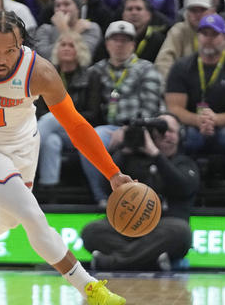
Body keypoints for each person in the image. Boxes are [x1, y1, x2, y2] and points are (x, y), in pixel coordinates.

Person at [0, 10, 131, 304]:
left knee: (10, 217)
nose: (1, 58)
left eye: (10, 50)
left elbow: (76, 125)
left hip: (23, 147)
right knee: (31, 215)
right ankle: (90, 289)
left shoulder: (39, 72)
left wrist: (112, 172)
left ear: (22, 46)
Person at [82, 113, 199, 271]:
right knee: (91, 231)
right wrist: (125, 149)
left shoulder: (184, 163)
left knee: (181, 231)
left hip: (162, 229)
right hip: (129, 229)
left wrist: (156, 155)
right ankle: (150, 262)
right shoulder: (133, 158)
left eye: (171, 131)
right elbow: (105, 187)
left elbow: (183, 187)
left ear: (180, 136)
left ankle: (112, 262)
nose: (166, 135)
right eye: (161, 131)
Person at [165, 14, 225, 203]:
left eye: (214, 34)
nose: (208, 38)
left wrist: (215, 120)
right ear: (198, 37)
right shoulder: (182, 67)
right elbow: (174, 108)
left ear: (224, 38)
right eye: (204, 33)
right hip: (192, 125)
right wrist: (198, 121)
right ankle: (184, 191)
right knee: (178, 133)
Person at [79, 20, 163, 206]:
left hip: (139, 128)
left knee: (97, 137)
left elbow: (151, 109)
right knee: (86, 138)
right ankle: (100, 196)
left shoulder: (146, 69)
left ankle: (108, 195)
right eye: (115, 40)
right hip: (108, 126)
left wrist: (129, 128)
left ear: (133, 44)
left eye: (125, 40)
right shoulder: (96, 70)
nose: (120, 44)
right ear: (107, 43)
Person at [37, 31, 102, 199]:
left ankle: (27, 148)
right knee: (51, 142)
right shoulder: (49, 75)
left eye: (71, 45)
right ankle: (48, 191)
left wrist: (67, 117)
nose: (66, 48)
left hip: (81, 131)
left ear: (79, 50)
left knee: (54, 117)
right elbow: (40, 109)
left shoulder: (91, 76)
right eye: (63, 44)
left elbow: (93, 114)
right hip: (55, 132)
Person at [34, 0, 102, 61]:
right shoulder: (45, 29)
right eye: (57, 5)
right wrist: (70, 31)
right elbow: (44, 56)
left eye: (66, 4)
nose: (62, 9)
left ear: (78, 9)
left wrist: (64, 30)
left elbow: (84, 56)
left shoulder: (89, 27)